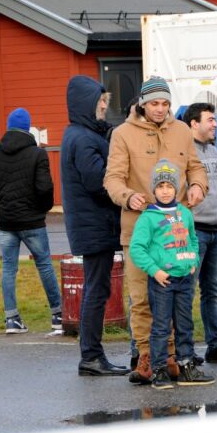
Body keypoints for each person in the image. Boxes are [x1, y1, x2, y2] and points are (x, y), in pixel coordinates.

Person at [104, 76, 209, 384]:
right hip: (139, 231)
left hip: (176, 232)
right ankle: (147, 357)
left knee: (178, 298)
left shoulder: (181, 131)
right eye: (154, 104)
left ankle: (174, 357)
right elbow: (112, 179)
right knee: (142, 298)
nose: (160, 109)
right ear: (142, 104)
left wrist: (199, 186)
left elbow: (196, 167)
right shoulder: (122, 134)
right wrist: (127, 196)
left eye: (165, 103)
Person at [60, 76, 129, 377]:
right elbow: (99, 181)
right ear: (86, 103)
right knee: (96, 290)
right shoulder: (83, 138)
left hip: (94, 225)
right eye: (100, 102)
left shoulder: (83, 134)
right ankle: (91, 355)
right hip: (95, 225)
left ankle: (92, 354)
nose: (104, 106)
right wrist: (125, 190)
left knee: (96, 288)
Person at [128, 159, 215, 389]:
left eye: (169, 186)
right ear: (153, 189)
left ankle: (187, 366)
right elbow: (137, 248)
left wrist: (194, 259)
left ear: (176, 188)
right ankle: (159, 370)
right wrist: (154, 271)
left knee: (185, 325)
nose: (165, 191)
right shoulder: (148, 217)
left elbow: (193, 239)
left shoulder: (184, 213)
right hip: (162, 282)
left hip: (185, 279)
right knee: (161, 327)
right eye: (160, 187)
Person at [0, 107, 63, 334]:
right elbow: (45, 188)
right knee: (44, 265)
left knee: (8, 268)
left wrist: (2, 202)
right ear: (28, 128)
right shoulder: (37, 154)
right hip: (33, 221)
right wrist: (42, 208)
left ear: (8, 126)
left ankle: (11, 319)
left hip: (6, 221)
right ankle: (57, 316)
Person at [181, 101, 217, 364]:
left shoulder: (214, 150)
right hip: (194, 231)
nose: (216, 124)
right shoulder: (184, 152)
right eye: (210, 120)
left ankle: (216, 344)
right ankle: (185, 349)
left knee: (212, 291)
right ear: (194, 123)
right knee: (186, 291)